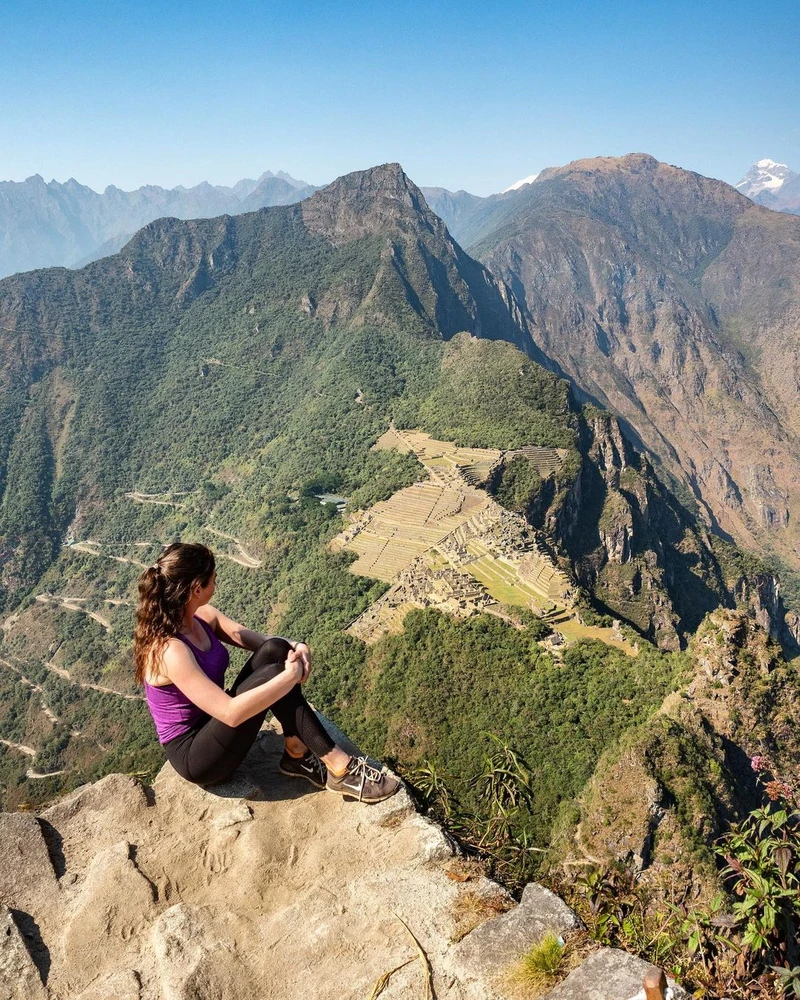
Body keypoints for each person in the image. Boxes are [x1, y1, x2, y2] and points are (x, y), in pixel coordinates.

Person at [134, 542, 399, 803]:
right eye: (213, 579)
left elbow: (263, 642)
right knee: (276, 674)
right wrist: (289, 677)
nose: (216, 585)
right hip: (198, 756)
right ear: (196, 588)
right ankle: (341, 768)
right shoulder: (170, 650)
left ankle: (297, 755)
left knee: (277, 649)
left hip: (214, 725)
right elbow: (231, 713)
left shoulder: (202, 617)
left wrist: (296, 646)